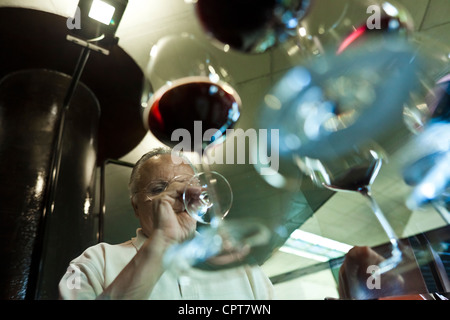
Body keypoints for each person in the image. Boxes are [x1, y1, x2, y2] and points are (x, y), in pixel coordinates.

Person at [58, 147, 274, 300]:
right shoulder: (94, 261)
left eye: (186, 188)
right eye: (158, 189)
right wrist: (160, 244)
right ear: (135, 206)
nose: (176, 197)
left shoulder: (239, 261)